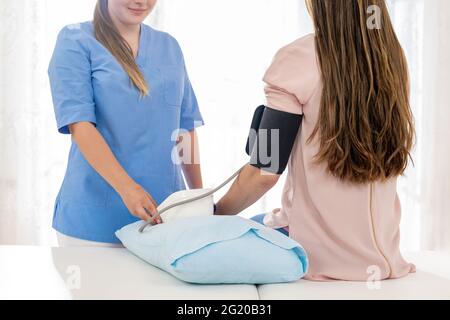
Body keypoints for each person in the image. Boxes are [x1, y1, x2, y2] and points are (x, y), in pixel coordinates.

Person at [215, 0, 416, 281]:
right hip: (384, 259)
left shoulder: (298, 59)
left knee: (211, 239)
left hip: (310, 255)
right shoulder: (393, 59)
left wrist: (215, 215)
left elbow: (264, 171)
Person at [48, 0, 204, 247]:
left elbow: (185, 128)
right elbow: (79, 126)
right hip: (94, 219)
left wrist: (198, 196)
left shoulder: (169, 46)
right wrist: (128, 189)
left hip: (166, 217)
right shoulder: (75, 39)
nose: (141, 1)